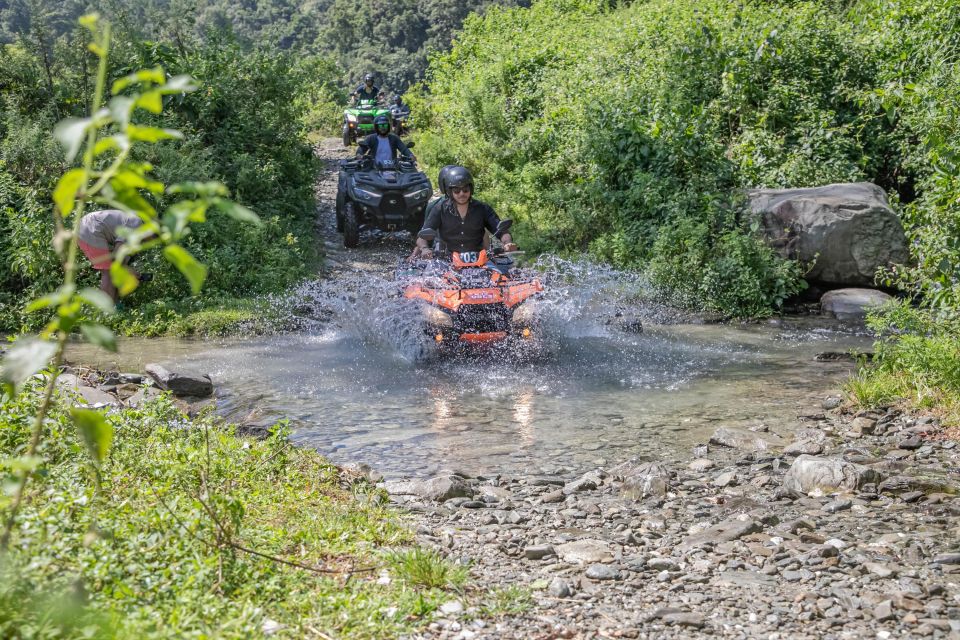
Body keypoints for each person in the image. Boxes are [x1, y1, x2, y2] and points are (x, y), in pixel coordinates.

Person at [411, 166, 518, 259]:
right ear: (450, 192)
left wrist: (507, 243)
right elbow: (422, 236)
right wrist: (425, 249)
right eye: (457, 191)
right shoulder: (439, 208)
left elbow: (501, 230)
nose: (462, 194)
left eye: (465, 190)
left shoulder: (483, 208)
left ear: (471, 189)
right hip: (447, 259)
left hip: (479, 258)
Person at [77, 209, 148, 303]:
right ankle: (105, 312)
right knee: (108, 271)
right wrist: (130, 271)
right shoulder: (136, 224)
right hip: (90, 228)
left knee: (113, 271)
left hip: (87, 227)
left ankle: (114, 307)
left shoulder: (135, 228)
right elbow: (117, 254)